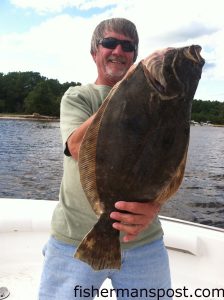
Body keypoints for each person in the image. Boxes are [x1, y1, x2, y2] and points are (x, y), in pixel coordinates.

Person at [39, 18, 172, 300]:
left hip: (143, 243)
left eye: (128, 46)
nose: (118, 51)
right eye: (109, 43)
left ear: (135, 55)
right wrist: (128, 88)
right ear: (94, 52)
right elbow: (77, 146)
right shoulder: (78, 96)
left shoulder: (156, 102)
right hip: (74, 241)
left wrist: (155, 207)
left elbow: (167, 163)